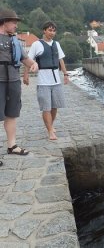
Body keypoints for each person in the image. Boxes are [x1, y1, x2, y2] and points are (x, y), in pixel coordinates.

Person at [0, 9, 39, 164]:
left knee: (12, 114)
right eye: (13, 22)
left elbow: (24, 58)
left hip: (14, 81)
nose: (16, 25)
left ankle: (12, 146)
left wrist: (34, 64)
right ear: (4, 22)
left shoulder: (15, 40)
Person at [23, 21, 69, 140]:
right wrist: (26, 75)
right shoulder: (36, 44)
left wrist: (65, 74)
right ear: (44, 30)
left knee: (54, 107)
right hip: (43, 81)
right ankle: (50, 131)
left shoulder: (56, 44)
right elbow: (28, 60)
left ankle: (50, 125)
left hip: (56, 81)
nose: (52, 33)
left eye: (54, 30)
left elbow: (61, 60)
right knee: (46, 108)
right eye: (50, 30)